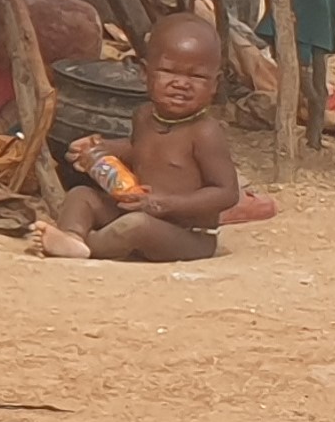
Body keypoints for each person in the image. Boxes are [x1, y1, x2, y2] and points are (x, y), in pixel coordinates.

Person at [30, 13, 239, 263]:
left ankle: (88, 246)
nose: (181, 84)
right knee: (81, 194)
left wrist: (165, 204)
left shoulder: (205, 132)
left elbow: (226, 193)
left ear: (214, 84)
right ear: (144, 73)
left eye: (196, 77)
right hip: (136, 206)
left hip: (186, 234)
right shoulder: (143, 116)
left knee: (136, 226)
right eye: (168, 71)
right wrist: (101, 150)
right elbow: (139, 150)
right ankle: (71, 235)